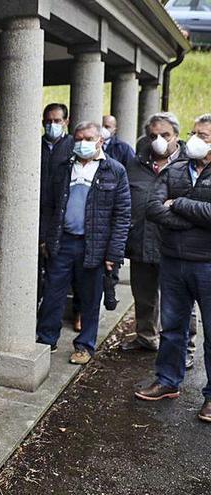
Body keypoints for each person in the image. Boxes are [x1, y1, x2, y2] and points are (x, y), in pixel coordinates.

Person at [136, 114, 211, 423]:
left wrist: (178, 204)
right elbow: (153, 208)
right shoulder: (175, 169)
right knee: (172, 328)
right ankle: (167, 380)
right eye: (194, 134)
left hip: (207, 264)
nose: (195, 140)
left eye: (204, 136)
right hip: (173, 261)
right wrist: (196, 218)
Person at [36, 121, 130, 365]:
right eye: (78, 139)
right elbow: (49, 206)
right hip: (63, 242)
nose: (82, 143)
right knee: (53, 292)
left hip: (94, 245)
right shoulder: (63, 168)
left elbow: (122, 215)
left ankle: (84, 345)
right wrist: (45, 238)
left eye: (88, 138)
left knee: (90, 298)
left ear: (100, 140)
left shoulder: (114, 170)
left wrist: (114, 252)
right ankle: (47, 339)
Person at [122, 112, 197, 367]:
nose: (159, 140)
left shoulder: (191, 165)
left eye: (165, 135)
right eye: (153, 135)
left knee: (179, 301)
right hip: (141, 241)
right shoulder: (135, 163)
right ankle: (146, 337)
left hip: (176, 246)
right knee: (143, 296)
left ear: (176, 135)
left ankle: (184, 348)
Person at [39, 103, 81, 330]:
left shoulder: (73, 146)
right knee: (41, 268)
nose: (51, 125)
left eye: (56, 121)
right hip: (37, 212)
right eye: (48, 121)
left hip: (63, 214)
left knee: (69, 271)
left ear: (66, 121)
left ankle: (77, 312)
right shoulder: (36, 145)